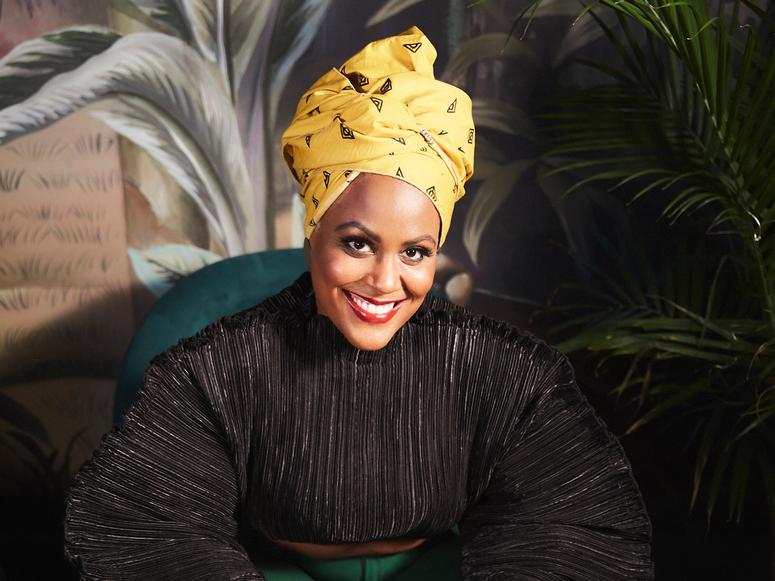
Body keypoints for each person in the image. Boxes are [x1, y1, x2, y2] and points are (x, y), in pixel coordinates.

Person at [65, 27, 653, 580]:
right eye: (357, 243)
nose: (385, 280)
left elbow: (565, 518)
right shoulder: (220, 369)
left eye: (415, 253)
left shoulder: (498, 369)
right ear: (313, 232)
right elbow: (151, 520)